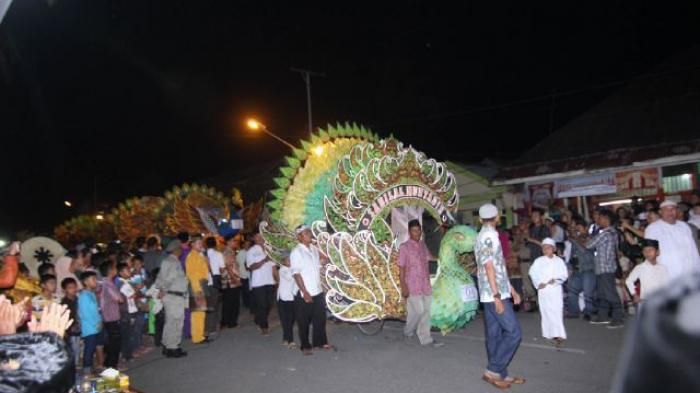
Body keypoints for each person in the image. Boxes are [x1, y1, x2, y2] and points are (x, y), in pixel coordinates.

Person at [474, 203, 524, 389]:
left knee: (494, 335)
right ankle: (493, 370)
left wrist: (511, 289)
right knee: (514, 333)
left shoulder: (483, 235)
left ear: (480, 219)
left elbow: (497, 266)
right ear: (497, 218)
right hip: (493, 293)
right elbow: (488, 266)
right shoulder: (489, 236)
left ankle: (501, 373)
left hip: (492, 292)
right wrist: (497, 295)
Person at [398, 219, 443, 347]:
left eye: (418, 230)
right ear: (409, 232)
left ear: (421, 231)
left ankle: (425, 338)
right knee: (418, 311)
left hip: (425, 284)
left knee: (426, 311)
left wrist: (442, 259)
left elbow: (429, 257)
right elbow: (401, 267)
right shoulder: (404, 247)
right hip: (412, 285)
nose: (416, 233)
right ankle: (408, 331)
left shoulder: (423, 245)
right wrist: (403, 286)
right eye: (413, 230)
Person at [291, 225, 331, 355]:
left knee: (320, 318)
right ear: (300, 237)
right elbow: (296, 273)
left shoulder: (313, 249)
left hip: (317, 290)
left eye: (309, 232)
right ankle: (305, 345)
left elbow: (320, 263)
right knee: (303, 321)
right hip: (305, 292)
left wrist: (324, 260)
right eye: (306, 233)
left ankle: (319, 342)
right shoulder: (296, 252)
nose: (309, 235)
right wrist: (305, 292)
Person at [586, 209, 624, 329]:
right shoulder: (613, 233)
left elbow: (589, 245)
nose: (598, 220)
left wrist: (582, 238)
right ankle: (603, 316)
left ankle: (618, 318)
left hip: (605, 268)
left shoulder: (605, 233)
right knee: (602, 293)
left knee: (609, 293)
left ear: (606, 219)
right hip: (605, 266)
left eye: (600, 218)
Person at [644, 200, 700, 281]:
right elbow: (649, 252)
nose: (670, 212)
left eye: (673, 209)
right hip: (667, 271)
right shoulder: (652, 228)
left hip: (688, 270)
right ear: (660, 212)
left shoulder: (684, 226)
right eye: (666, 210)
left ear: (677, 211)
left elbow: (693, 248)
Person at [529, 238, 568, 346]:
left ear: (554, 249)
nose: (546, 250)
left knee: (556, 311)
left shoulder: (559, 261)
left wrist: (555, 280)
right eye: (544, 248)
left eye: (548, 248)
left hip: (555, 290)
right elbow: (532, 273)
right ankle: (548, 333)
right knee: (546, 311)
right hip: (544, 291)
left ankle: (558, 334)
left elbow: (564, 274)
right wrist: (538, 283)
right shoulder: (539, 261)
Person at [155, 240, 189, 358]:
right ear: (177, 250)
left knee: (170, 322)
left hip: (173, 295)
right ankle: (173, 347)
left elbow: (160, 278)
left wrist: (161, 289)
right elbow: (168, 278)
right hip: (173, 295)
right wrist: (163, 289)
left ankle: (167, 345)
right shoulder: (172, 262)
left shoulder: (169, 261)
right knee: (175, 322)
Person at [566, 219, 597, 320]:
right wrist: (570, 267)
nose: (576, 230)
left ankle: (589, 312)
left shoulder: (589, 237)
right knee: (572, 291)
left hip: (588, 269)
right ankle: (573, 311)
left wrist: (575, 240)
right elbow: (572, 256)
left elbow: (585, 250)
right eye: (576, 228)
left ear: (585, 228)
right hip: (577, 270)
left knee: (588, 293)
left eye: (579, 227)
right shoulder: (575, 240)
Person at [246, 232, 276, 336]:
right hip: (258, 283)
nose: (260, 238)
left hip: (270, 281)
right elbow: (251, 267)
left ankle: (258, 318)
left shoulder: (269, 249)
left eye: (261, 236)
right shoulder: (251, 251)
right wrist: (264, 260)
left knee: (269, 304)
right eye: (257, 236)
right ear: (254, 238)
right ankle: (264, 326)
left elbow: (273, 267)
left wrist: (278, 280)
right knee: (262, 305)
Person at [625, 239, 669, 306]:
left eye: (650, 250)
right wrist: (634, 295)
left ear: (657, 252)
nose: (647, 253)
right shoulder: (640, 267)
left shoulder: (663, 268)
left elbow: (667, 284)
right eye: (645, 251)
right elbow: (629, 281)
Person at [185, 235, 210, 344]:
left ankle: (200, 334)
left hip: (202, 285)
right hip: (197, 287)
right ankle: (197, 337)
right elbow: (192, 275)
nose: (201, 245)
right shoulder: (191, 257)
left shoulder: (199, 255)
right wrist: (198, 290)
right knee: (197, 313)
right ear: (192, 244)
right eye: (199, 243)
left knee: (201, 312)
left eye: (201, 243)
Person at [98, 261, 123, 369]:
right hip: (111, 316)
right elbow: (119, 299)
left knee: (110, 341)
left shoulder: (102, 283)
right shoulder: (108, 284)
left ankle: (109, 363)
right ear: (111, 271)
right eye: (114, 268)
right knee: (114, 342)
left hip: (106, 316)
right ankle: (112, 365)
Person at [77, 271, 102, 375]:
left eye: (95, 279)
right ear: (85, 282)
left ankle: (92, 367)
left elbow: (96, 310)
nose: (95, 281)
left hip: (96, 326)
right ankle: (87, 369)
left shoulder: (91, 293)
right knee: (89, 349)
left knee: (93, 348)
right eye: (93, 279)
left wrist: (100, 321)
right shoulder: (83, 296)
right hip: (89, 327)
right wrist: (96, 323)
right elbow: (85, 314)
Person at [116, 262, 140, 362]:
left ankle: (128, 353)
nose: (129, 271)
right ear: (121, 273)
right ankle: (127, 355)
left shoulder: (127, 282)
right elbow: (133, 295)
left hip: (130, 309)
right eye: (127, 270)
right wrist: (137, 289)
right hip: (127, 311)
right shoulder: (122, 284)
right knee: (127, 333)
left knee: (129, 332)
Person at [275, 254, 296, 349]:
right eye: (288, 260)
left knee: (291, 319)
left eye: (291, 260)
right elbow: (289, 277)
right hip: (283, 298)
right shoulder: (283, 270)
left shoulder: (293, 270)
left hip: (292, 297)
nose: (290, 261)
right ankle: (290, 339)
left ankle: (286, 337)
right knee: (285, 319)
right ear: (283, 261)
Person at [60, 277, 82, 369]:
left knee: (78, 348)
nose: (73, 289)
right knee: (73, 349)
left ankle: (76, 366)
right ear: (64, 290)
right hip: (70, 330)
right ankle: (73, 368)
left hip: (79, 327)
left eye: (74, 287)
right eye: (70, 287)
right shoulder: (64, 303)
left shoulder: (77, 299)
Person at [221, 235, 242, 329]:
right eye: (233, 241)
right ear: (228, 242)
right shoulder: (227, 252)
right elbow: (228, 267)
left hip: (231, 280)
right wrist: (235, 279)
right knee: (232, 302)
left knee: (230, 302)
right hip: (231, 281)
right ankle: (230, 322)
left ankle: (227, 322)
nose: (235, 242)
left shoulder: (230, 252)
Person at [205, 236, 223, 338]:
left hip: (204, 282)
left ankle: (206, 327)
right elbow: (222, 268)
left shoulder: (202, 254)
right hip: (214, 282)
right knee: (214, 305)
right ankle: (213, 328)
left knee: (206, 306)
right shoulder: (218, 254)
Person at [237, 237, 252, 312]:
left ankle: (250, 303)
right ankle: (247, 304)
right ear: (243, 245)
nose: (247, 246)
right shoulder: (240, 253)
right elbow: (238, 264)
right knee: (245, 291)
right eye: (246, 244)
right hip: (243, 275)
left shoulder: (251, 252)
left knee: (250, 290)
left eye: (249, 244)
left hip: (250, 275)